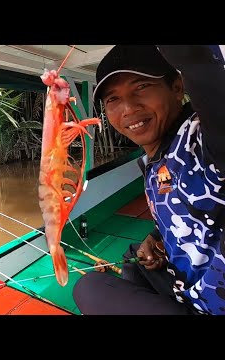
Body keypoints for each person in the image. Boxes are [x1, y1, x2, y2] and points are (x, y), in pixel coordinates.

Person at [72, 45, 225, 315]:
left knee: (88, 288)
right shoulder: (154, 162)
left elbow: (203, 68)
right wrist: (156, 236)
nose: (128, 108)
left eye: (141, 87)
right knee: (135, 258)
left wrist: (195, 61)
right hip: (186, 286)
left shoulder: (202, 137)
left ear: (178, 87)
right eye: (113, 99)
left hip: (213, 306)